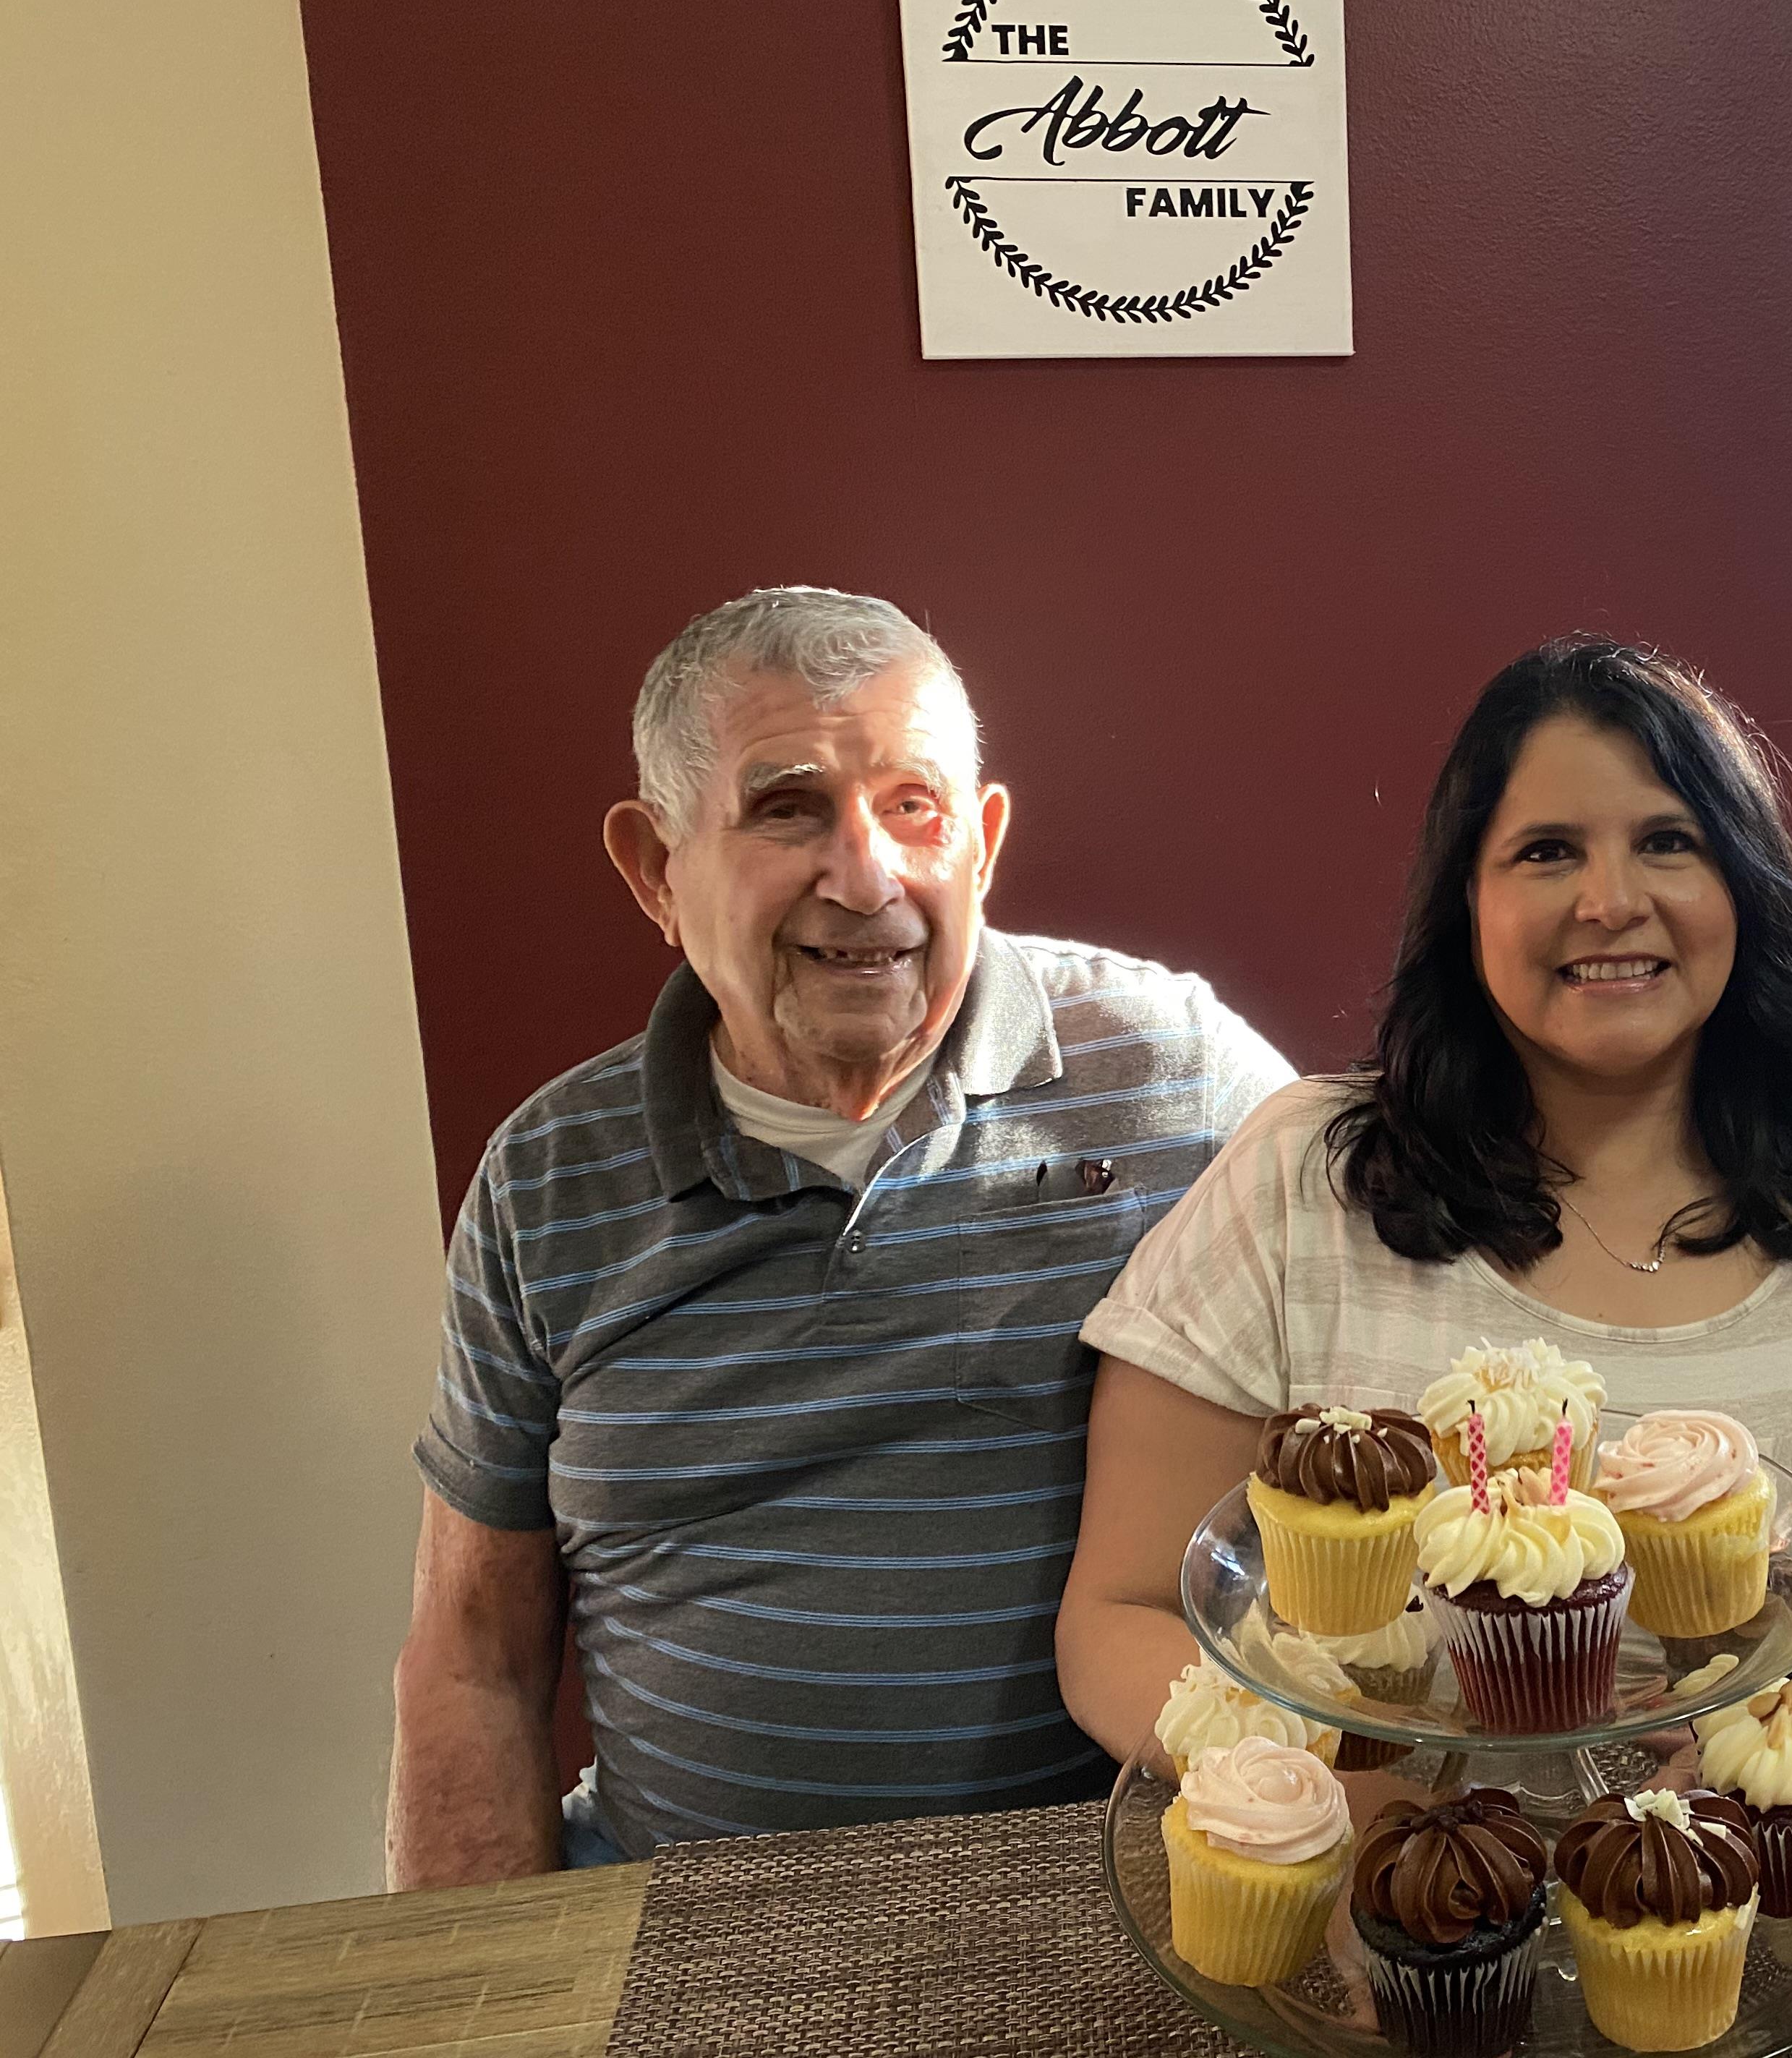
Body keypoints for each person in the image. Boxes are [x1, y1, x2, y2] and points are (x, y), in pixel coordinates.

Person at [1057, 637, 1792, 1762]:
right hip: (1389, 1920)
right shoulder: (1307, 1180)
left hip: (1786, 1916)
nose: (1611, 902)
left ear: (1744, 887)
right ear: (1468, 902)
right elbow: (1119, 1617)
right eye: (1548, 853)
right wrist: (1328, 1805)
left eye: (1668, 842)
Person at [388, 586, 1292, 1884]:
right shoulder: (547, 1180)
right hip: (671, 1911)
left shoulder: (1184, 1085)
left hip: (1120, 1900)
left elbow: (1404, 1343)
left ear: (981, 843)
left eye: (912, 808)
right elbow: (472, 1654)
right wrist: (459, 2001)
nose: (866, 877)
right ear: (655, 870)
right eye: (787, 807)